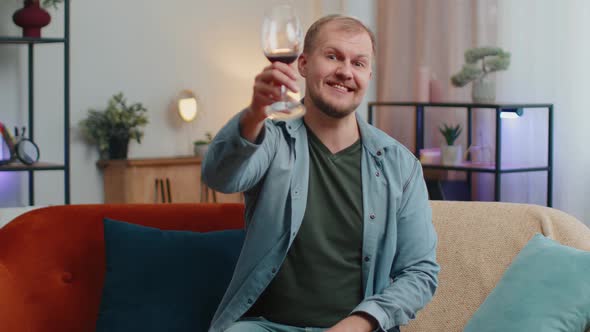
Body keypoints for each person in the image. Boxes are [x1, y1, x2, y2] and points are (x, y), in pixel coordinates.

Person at [203, 14, 439, 332]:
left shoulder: (401, 165)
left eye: (358, 63)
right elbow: (221, 177)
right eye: (332, 56)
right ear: (302, 64)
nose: (345, 71)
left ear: (368, 75)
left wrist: (360, 323)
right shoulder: (271, 140)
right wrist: (255, 113)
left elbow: (420, 272)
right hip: (268, 327)